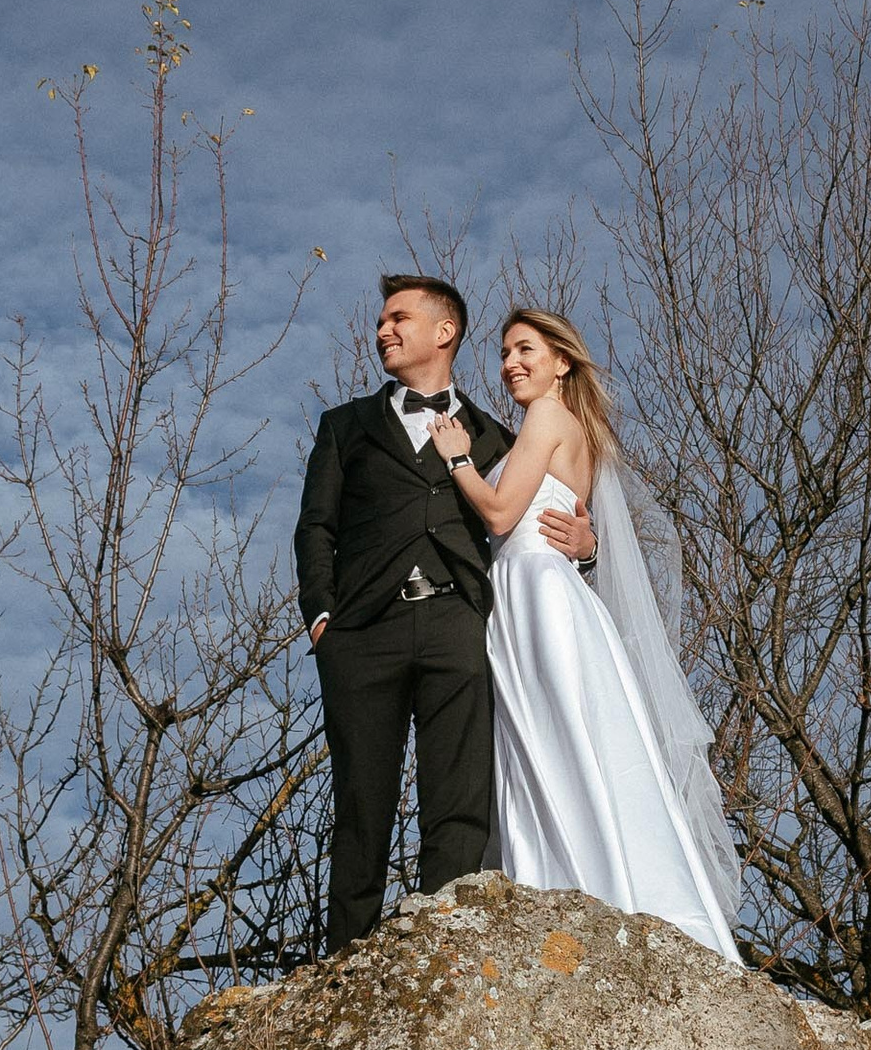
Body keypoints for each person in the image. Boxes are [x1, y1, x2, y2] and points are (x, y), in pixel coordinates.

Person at [294, 273, 596, 952]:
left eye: (397, 317)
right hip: (362, 634)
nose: (382, 331)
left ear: (444, 331)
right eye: (379, 321)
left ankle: (446, 958)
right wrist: (322, 618)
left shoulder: (494, 435)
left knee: (460, 804)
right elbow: (316, 527)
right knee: (360, 807)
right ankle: (343, 965)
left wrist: (588, 545)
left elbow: (544, 508)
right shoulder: (344, 426)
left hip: (461, 625)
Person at [432, 307, 741, 959]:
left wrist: (458, 459)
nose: (511, 363)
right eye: (505, 353)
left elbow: (498, 512)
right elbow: (563, 520)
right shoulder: (569, 430)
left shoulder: (547, 415)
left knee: (558, 746)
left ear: (562, 361)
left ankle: (582, 892)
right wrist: (587, 544)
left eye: (526, 350)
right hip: (532, 594)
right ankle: (574, 889)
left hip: (540, 596)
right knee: (551, 747)